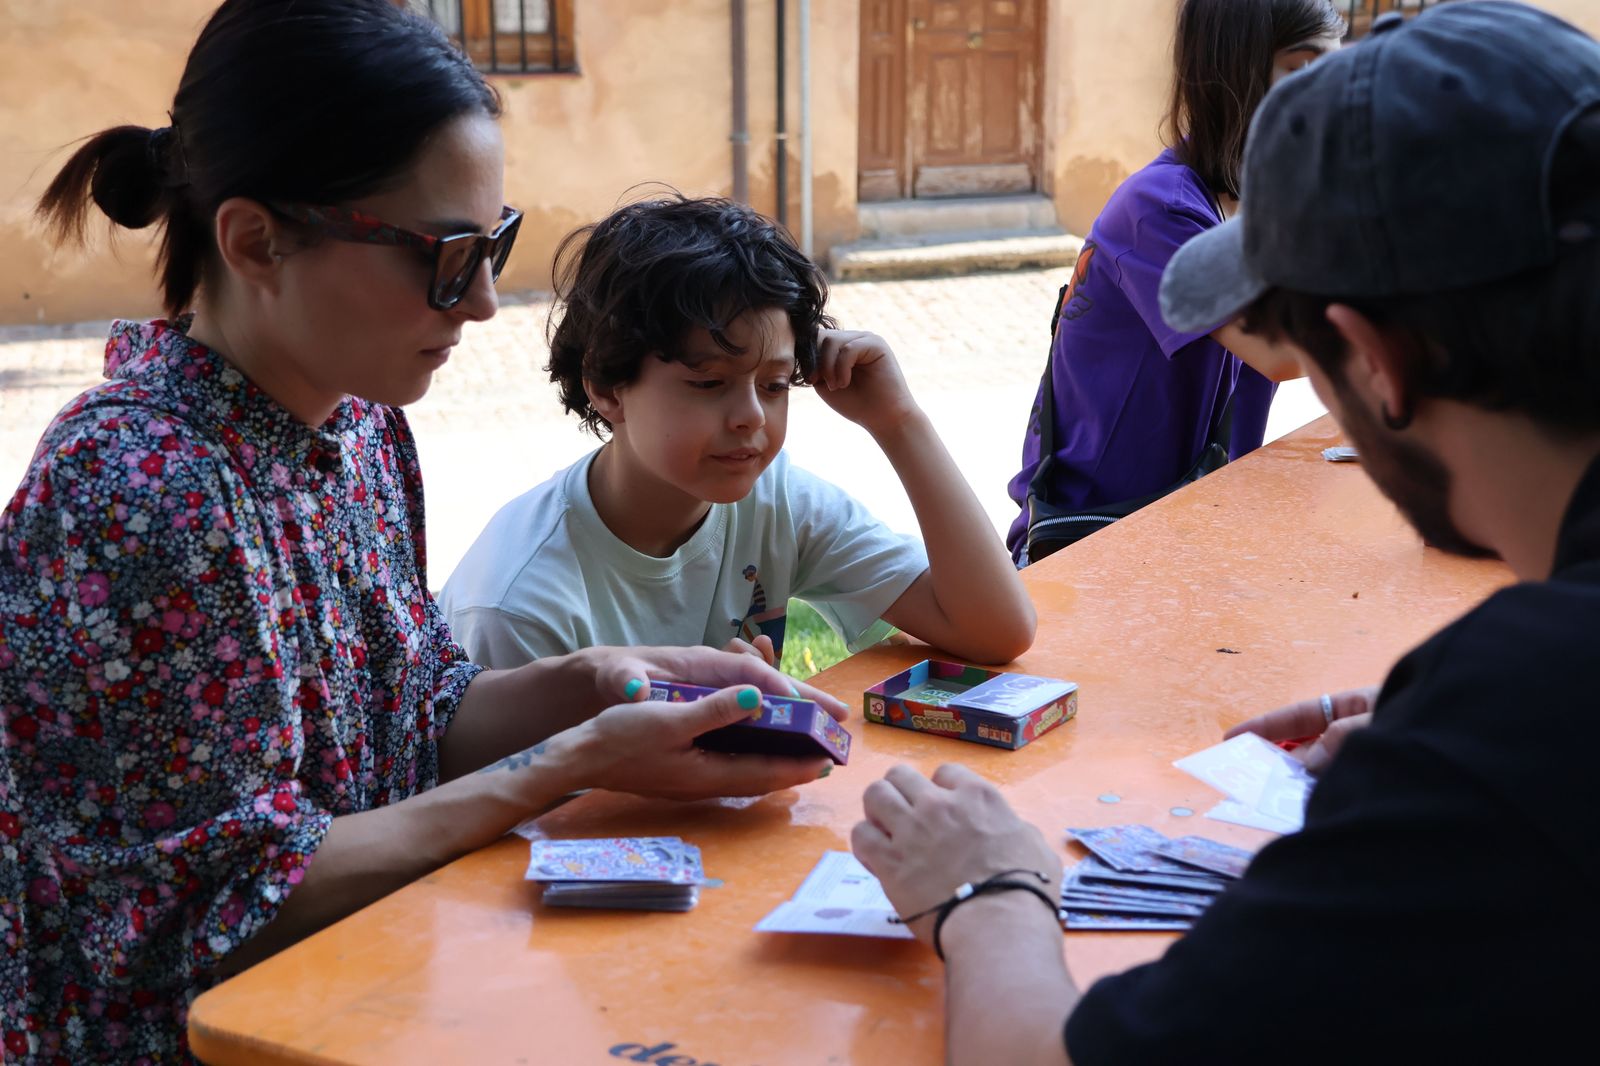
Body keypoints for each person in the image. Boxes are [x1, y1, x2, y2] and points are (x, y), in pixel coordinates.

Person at [0, 2, 843, 1059]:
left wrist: (605, 682)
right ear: (256, 241)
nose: (483, 302)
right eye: (446, 256)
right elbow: (223, 904)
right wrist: (568, 761)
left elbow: (418, 719)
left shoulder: (358, 426)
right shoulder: (138, 485)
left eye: (494, 246)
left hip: (361, 998)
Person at [853, 3, 1599, 1061]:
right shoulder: (1520, 710)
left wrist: (987, 891)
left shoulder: (1524, 711)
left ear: (1375, 363)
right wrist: (1444, 744)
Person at [440, 195, 1036, 670]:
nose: (751, 416)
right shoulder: (517, 606)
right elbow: (513, 788)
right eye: (708, 383)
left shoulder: (776, 503)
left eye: (774, 385)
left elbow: (995, 630)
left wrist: (899, 423)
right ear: (606, 386)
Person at [1004, 0, 1344, 564]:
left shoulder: (1259, 206)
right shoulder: (1160, 210)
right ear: (1235, 72)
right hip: (1090, 542)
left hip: (1185, 529)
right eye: (1300, 70)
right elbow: (1283, 350)